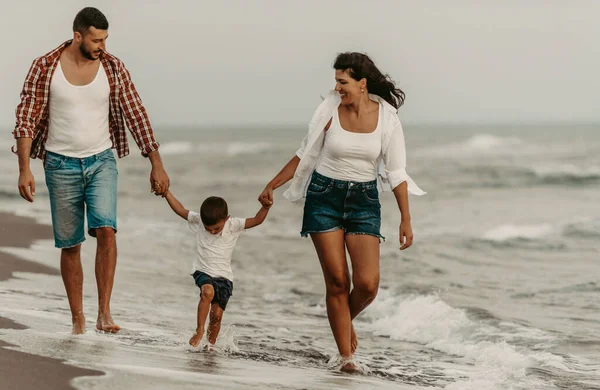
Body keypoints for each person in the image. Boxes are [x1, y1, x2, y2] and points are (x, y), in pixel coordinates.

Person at [258, 52, 425, 372]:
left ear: (362, 84)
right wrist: (272, 184)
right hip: (323, 198)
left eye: (343, 82)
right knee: (337, 281)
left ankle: (342, 320)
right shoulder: (329, 110)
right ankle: (346, 359)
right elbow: (303, 153)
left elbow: (397, 172)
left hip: (364, 202)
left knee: (367, 284)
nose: (337, 88)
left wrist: (406, 218)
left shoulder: (387, 119)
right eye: (335, 81)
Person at [12, 7, 170, 335]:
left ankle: (104, 313)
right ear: (78, 36)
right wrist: (24, 169)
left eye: (106, 38)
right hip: (59, 164)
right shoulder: (45, 67)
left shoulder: (112, 67)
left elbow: (136, 112)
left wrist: (156, 162)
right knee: (70, 244)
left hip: (101, 161)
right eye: (96, 39)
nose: (102, 45)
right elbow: (26, 117)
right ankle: (78, 319)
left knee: (106, 230)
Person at [162, 188, 269, 348]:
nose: (211, 231)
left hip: (225, 278)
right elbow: (180, 210)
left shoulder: (233, 225)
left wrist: (265, 207)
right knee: (207, 292)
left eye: (216, 229)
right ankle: (199, 330)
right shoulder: (199, 221)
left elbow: (256, 220)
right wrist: (166, 193)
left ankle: (209, 346)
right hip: (202, 271)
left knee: (217, 316)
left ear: (226, 219)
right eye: (208, 228)